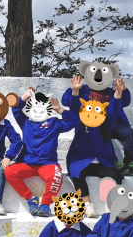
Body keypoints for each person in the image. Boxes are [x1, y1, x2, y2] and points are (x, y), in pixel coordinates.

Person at [5, 87, 80, 218]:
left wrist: (60, 109)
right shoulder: (25, 122)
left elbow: (74, 122)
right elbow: (15, 108)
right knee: (9, 171)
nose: (38, 110)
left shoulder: (54, 123)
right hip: (27, 163)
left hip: (47, 164)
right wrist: (24, 97)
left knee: (56, 177)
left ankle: (45, 205)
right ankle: (31, 199)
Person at [63, 76, 127, 218]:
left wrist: (118, 90)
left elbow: (115, 106)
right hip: (81, 161)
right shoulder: (80, 122)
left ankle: (110, 204)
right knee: (76, 174)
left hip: (102, 161)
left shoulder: (107, 122)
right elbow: (74, 108)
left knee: (115, 176)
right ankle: (87, 204)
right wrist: (75, 90)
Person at [73, 71, 133, 176]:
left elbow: (125, 102)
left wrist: (123, 90)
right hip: (94, 124)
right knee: (101, 134)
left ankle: (130, 163)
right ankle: (113, 162)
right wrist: (75, 89)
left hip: (114, 122)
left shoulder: (110, 91)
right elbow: (68, 102)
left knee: (131, 134)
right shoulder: (83, 90)